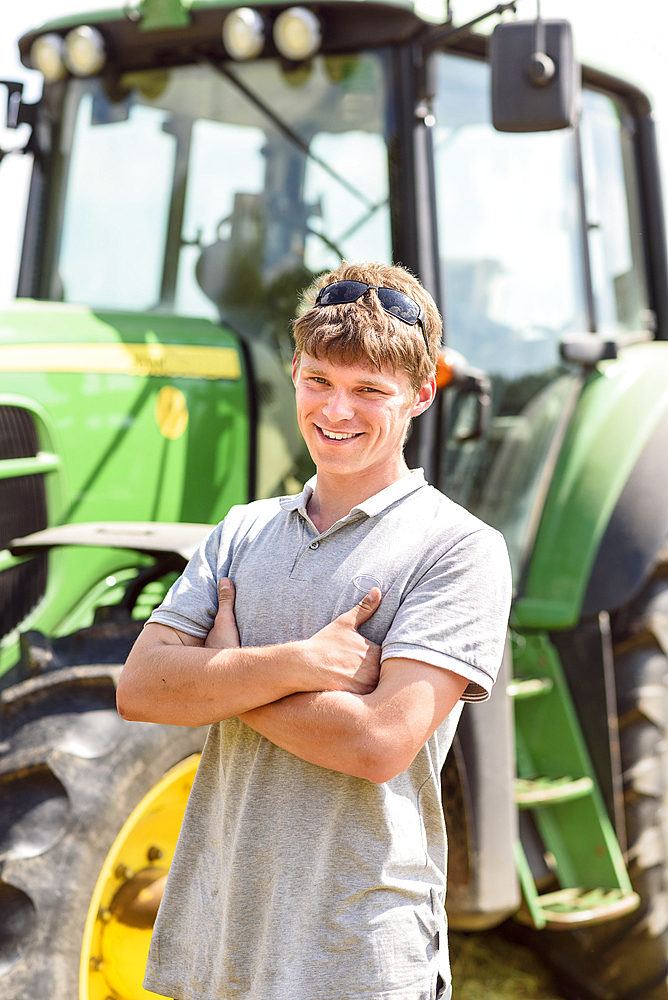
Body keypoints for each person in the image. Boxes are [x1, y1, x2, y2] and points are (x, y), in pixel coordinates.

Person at [117, 260, 512, 1000]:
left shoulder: (458, 549)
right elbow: (140, 688)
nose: (338, 411)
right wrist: (301, 663)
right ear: (294, 369)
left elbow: (375, 743)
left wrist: (223, 675)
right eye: (320, 382)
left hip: (357, 956)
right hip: (222, 942)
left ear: (422, 394)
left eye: (370, 391)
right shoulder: (243, 530)